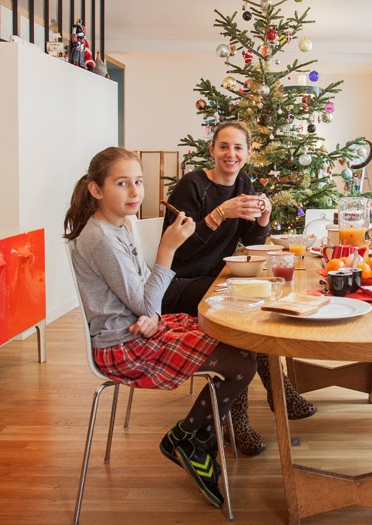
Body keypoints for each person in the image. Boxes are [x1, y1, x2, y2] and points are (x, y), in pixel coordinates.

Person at [64, 147, 257, 510]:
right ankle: (190, 438)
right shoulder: (101, 239)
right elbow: (146, 299)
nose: (134, 191)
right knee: (242, 361)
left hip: (140, 328)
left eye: (138, 182)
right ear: (96, 190)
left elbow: (144, 296)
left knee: (236, 344)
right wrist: (166, 250)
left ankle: (192, 438)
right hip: (122, 347)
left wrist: (151, 313)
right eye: (122, 183)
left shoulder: (119, 226)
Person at [162, 120, 317, 456]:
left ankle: (272, 397)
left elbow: (251, 242)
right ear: (212, 150)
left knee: (258, 307)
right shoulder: (192, 186)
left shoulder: (244, 184)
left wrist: (263, 218)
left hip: (217, 279)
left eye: (237, 148)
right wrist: (219, 214)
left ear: (247, 153)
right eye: (223, 146)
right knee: (244, 316)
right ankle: (248, 414)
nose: (230, 154)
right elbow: (178, 252)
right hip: (178, 283)